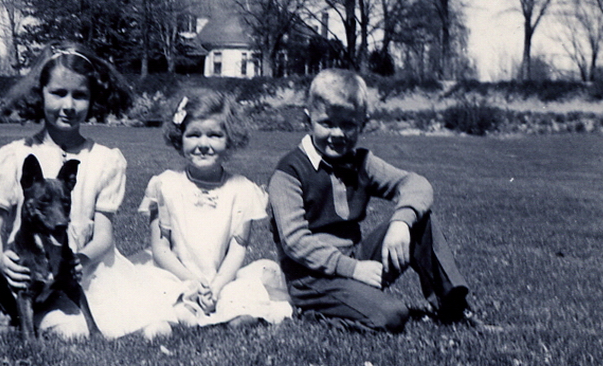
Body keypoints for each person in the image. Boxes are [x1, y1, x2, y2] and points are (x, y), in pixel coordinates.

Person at [268, 69, 470, 333]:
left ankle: (454, 310)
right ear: (309, 120)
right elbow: (295, 242)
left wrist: (401, 222)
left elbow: (416, 184)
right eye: (327, 123)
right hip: (312, 279)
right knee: (392, 315)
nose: (338, 134)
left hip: (357, 262)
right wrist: (352, 270)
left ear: (363, 123)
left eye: (348, 125)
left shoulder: (360, 162)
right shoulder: (290, 171)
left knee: (422, 223)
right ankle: (313, 314)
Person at [0, 44, 150, 339]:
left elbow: (104, 237)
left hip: (87, 272)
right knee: (71, 331)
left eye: (79, 95)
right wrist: (0, 261)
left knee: (143, 321)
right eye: (58, 93)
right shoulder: (14, 157)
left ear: (93, 99)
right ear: (39, 93)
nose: (69, 105)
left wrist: (80, 260)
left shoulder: (104, 160)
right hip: (30, 272)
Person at [132, 89, 292, 335]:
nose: (203, 144)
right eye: (193, 135)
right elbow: (160, 249)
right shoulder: (165, 185)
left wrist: (216, 286)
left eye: (214, 135)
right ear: (180, 138)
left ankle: (229, 310)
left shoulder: (242, 190)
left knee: (244, 291)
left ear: (230, 140)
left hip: (222, 276)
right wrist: (191, 282)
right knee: (156, 288)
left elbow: (237, 249)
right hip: (175, 274)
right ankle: (182, 312)